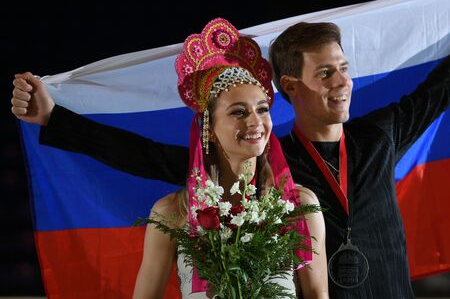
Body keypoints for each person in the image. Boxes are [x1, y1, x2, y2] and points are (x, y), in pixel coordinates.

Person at [12, 0, 450, 298]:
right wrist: (55, 119)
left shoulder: (381, 135)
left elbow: (447, 84)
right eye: (325, 73)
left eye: (344, 69)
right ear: (291, 86)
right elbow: (149, 157)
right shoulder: (266, 163)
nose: (343, 83)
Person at [12, 18, 329, 298]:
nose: (256, 122)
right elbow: (140, 154)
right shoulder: (174, 212)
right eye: (238, 112)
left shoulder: (297, 205)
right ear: (210, 128)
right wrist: (53, 118)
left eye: (262, 109)